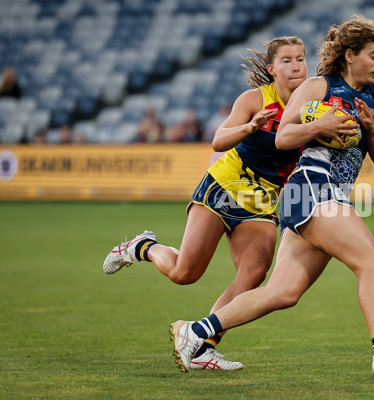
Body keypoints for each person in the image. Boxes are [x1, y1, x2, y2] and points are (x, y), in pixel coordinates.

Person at [169, 15, 374, 377]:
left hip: (328, 194)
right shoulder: (316, 87)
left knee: (283, 292)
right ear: (349, 55)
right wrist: (320, 125)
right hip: (310, 186)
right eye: (373, 55)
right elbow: (283, 138)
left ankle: (194, 331)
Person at [102, 36, 308, 370]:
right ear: (271, 69)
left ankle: (202, 347)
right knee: (185, 273)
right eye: (287, 60)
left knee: (253, 275)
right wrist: (248, 126)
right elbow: (218, 140)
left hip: (262, 201)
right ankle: (142, 247)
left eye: (300, 58)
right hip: (224, 187)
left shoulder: (311, 104)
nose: (296, 65)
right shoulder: (255, 99)